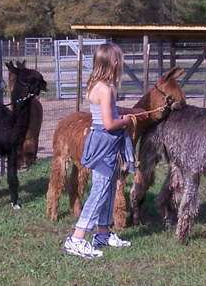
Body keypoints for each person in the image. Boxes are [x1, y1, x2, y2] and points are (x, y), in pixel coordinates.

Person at [62, 42, 148, 258]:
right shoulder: (107, 90)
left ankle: (102, 233)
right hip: (104, 144)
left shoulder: (96, 86)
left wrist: (130, 110)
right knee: (99, 191)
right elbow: (109, 123)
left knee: (108, 188)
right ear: (116, 63)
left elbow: (107, 111)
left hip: (104, 144)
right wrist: (127, 120)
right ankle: (77, 238)